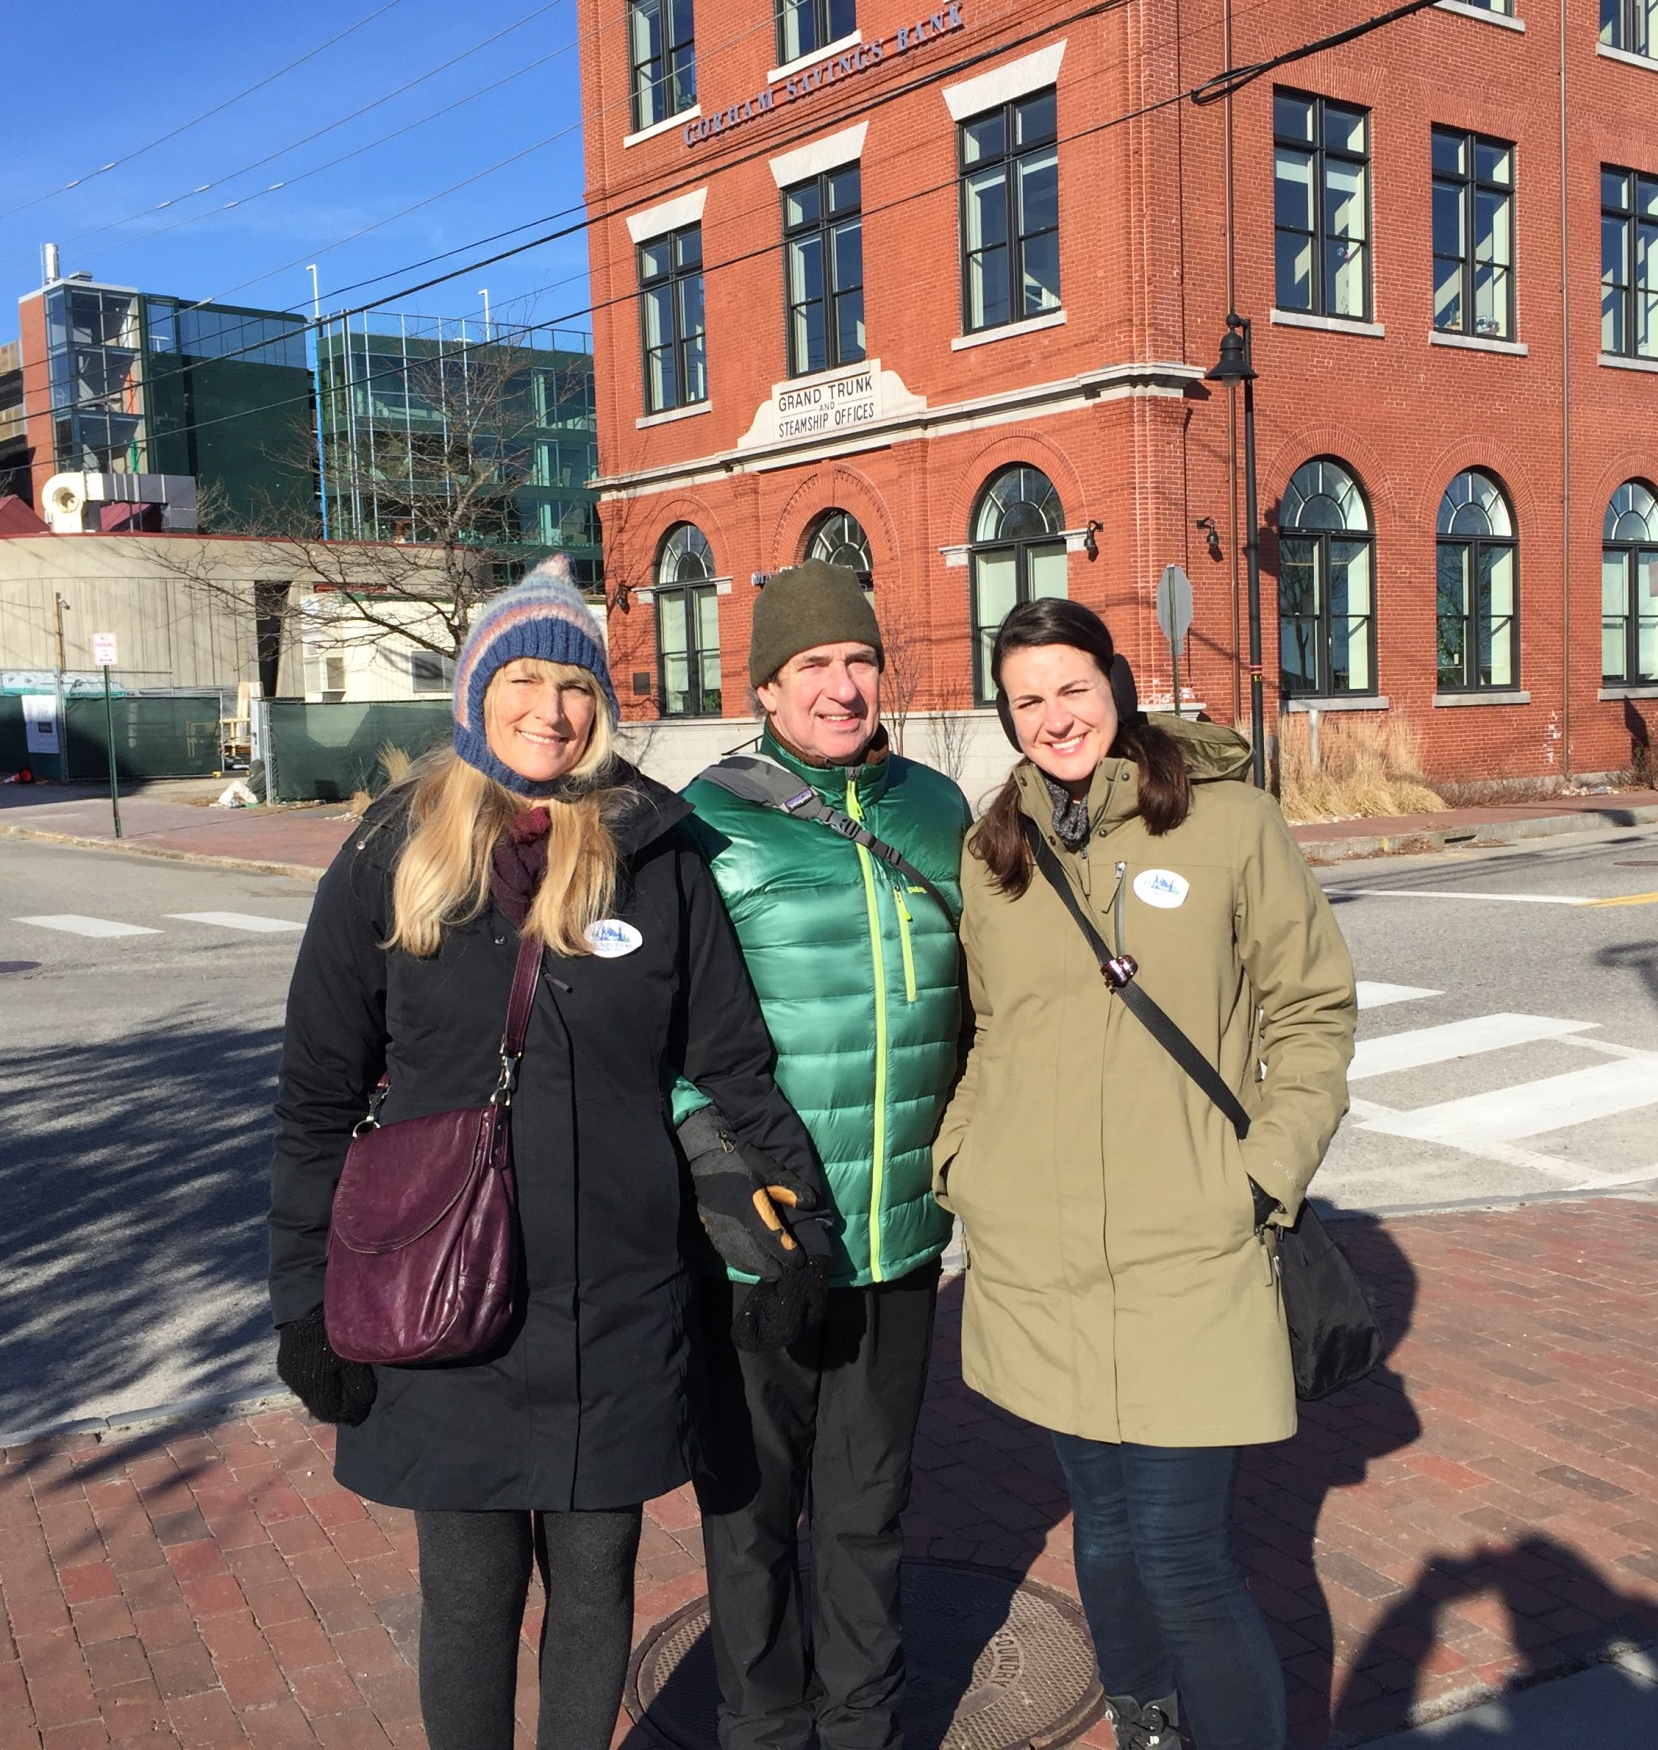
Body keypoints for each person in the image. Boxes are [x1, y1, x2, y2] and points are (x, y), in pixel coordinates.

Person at [267, 557, 831, 1750]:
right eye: (522, 677)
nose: (552, 708)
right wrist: (302, 1304)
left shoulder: (659, 853)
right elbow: (317, 1100)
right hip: (439, 1291)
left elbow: (734, 1066)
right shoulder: (391, 854)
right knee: (469, 1599)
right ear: (476, 694)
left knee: (594, 1592)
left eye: (574, 683)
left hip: (618, 1301)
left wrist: (800, 1232)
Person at [932, 596, 1357, 1750]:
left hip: (1189, 1248)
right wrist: (964, 1163)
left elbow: (1312, 1015)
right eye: (1027, 700)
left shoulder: (1232, 824)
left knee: (1181, 1557)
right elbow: (986, 1030)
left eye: (1072, 686)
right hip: (1040, 1251)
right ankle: (1147, 1728)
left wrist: (1259, 1174)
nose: (1054, 716)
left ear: (1116, 683)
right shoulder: (993, 852)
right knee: (1105, 1536)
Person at [673, 559, 971, 1750]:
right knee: (750, 1514)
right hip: (765, 1238)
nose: (842, 688)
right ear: (766, 687)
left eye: (858, 661)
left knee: (868, 1509)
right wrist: (724, 1184)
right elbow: (671, 1030)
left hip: (897, 1233)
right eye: (813, 666)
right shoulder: (704, 821)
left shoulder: (936, 808)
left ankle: (862, 1726)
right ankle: (760, 1726)